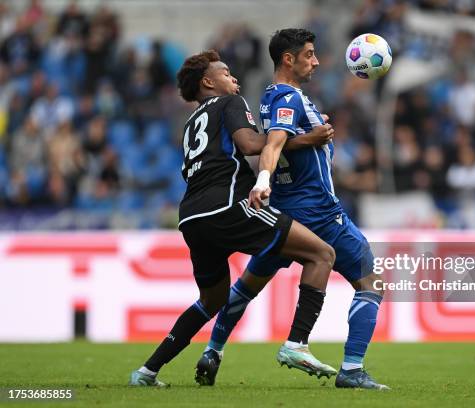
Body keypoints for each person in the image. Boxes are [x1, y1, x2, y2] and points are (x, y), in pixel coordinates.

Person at [129, 49, 337, 386]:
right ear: (209, 82)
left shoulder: (190, 124)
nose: (234, 79)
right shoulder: (230, 103)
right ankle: (296, 344)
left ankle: (147, 371)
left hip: (192, 218)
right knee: (322, 253)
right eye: (226, 73)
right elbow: (253, 145)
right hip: (228, 207)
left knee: (211, 300)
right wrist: (306, 138)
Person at [197, 29, 389, 390]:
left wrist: (314, 137)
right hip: (318, 211)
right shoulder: (287, 96)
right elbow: (274, 144)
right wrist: (263, 178)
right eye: (310, 55)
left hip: (285, 213)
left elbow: (285, 140)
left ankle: (213, 349)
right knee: (370, 283)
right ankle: (349, 368)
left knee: (247, 286)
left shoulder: (275, 97)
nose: (316, 61)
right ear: (289, 59)